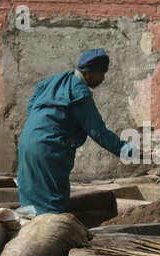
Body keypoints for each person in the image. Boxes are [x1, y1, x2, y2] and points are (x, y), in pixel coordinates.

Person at [17, 48, 136, 215]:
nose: (102, 78)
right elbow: (99, 133)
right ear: (90, 71)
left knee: (31, 195)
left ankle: (27, 230)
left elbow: (31, 104)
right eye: (101, 73)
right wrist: (130, 151)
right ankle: (48, 236)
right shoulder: (79, 93)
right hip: (50, 149)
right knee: (52, 201)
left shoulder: (54, 81)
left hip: (27, 144)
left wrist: (41, 130)